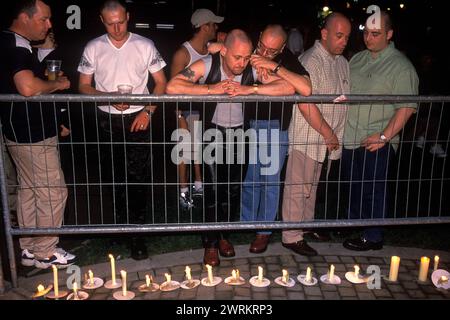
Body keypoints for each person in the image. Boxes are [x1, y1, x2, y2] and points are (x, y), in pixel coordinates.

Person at [166, 29, 295, 266]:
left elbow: (287, 88)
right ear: (224, 51)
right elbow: (172, 86)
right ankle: (211, 244)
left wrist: (251, 89)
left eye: (246, 58)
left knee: (233, 191)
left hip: (239, 135)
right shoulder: (207, 64)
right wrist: (209, 89)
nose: (241, 63)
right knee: (214, 190)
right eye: (237, 57)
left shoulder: (250, 68)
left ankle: (225, 235)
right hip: (212, 133)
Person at [78, 0, 167, 260]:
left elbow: (160, 82)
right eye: (110, 23)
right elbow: (83, 85)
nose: (116, 29)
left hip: (138, 119)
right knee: (112, 177)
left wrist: (148, 111)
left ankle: (137, 235)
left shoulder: (145, 44)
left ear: (128, 16)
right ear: (101, 20)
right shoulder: (94, 47)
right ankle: (120, 227)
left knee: (138, 179)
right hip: (107, 120)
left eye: (121, 22)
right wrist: (106, 96)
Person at [0, 0, 74, 269]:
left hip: (16, 131)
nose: (49, 24)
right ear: (24, 17)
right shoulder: (18, 45)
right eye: (44, 19)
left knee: (29, 190)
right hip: (32, 132)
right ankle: (46, 251)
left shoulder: (7, 41)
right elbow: (27, 87)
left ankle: (28, 248)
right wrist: (56, 84)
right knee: (53, 191)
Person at [341, 11, 419, 251]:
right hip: (351, 136)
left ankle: (373, 236)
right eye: (366, 32)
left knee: (373, 189)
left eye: (376, 34)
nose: (369, 38)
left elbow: (406, 108)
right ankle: (356, 226)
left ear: (390, 34)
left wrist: (385, 136)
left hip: (377, 139)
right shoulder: (357, 59)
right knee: (354, 186)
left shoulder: (401, 67)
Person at [282, 13, 351, 256]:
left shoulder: (342, 62)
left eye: (347, 37)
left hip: (325, 140)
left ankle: (306, 226)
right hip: (309, 136)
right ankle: (291, 236)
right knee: (298, 188)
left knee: (312, 188)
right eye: (339, 35)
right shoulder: (311, 60)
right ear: (324, 34)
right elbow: (305, 104)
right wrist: (328, 132)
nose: (344, 41)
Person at [240, 24, 311, 254]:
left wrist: (273, 67)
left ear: (282, 47)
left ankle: (264, 231)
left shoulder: (285, 59)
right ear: (258, 35)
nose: (264, 52)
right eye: (262, 46)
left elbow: (304, 88)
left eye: (272, 50)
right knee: (251, 179)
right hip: (249, 125)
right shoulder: (249, 48)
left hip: (275, 126)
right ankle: (247, 223)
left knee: (270, 182)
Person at [170, 8, 224, 209]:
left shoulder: (211, 49)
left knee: (200, 149)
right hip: (185, 110)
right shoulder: (183, 53)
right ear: (204, 27)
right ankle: (184, 193)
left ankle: (199, 186)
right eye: (213, 24)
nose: (216, 27)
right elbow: (172, 89)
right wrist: (179, 115)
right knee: (184, 151)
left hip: (205, 110)